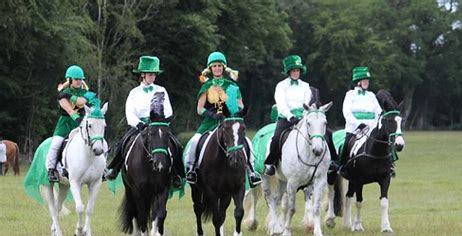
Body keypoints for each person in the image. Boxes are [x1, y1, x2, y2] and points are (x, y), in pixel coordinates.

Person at [105, 55, 184, 188]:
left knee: (176, 145)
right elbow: (129, 112)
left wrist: (161, 121)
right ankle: (115, 169)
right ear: (143, 74)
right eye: (150, 74)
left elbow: (168, 111)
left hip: (158, 125)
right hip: (140, 126)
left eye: (154, 74)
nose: (152, 77)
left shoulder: (161, 90)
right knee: (122, 143)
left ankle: (177, 174)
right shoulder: (134, 93)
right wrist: (139, 124)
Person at [185, 51, 262, 187]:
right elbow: (199, 108)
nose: (217, 68)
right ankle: (192, 169)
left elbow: (240, 105)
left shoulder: (232, 86)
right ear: (210, 69)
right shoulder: (206, 86)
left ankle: (251, 171)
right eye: (214, 66)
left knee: (247, 142)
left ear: (224, 67)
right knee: (194, 141)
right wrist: (212, 114)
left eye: (219, 66)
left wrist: (238, 113)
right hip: (210, 122)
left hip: (230, 122)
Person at [46, 65, 98, 182]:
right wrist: (78, 119)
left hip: (83, 123)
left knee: (99, 141)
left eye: (80, 79)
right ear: (70, 80)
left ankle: (102, 169)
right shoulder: (63, 93)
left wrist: (67, 95)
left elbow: (82, 102)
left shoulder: (85, 92)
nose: (79, 81)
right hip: (65, 123)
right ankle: (51, 169)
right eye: (76, 79)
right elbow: (69, 110)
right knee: (56, 144)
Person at [264, 55, 312, 176]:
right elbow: (281, 104)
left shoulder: (306, 86)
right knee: (276, 138)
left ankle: (326, 162)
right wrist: (290, 116)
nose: (296, 73)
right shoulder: (281, 86)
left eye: (298, 70)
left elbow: (307, 103)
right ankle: (271, 164)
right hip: (286, 118)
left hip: (303, 117)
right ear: (289, 72)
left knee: (318, 134)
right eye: (294, 70)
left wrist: (303, 116)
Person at [338, 66, 382, 176]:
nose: (367, 82)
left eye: (367, 80)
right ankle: (342, 166)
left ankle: (389, 165)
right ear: (358, 82)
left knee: (385, 141)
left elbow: (378, 112)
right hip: (355, 129)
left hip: (371, 128)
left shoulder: (371, 95)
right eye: (364, 80)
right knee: (346, 143)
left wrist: (375, 124)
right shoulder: (350, 94)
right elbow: (347, 112)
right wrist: (358, 124)